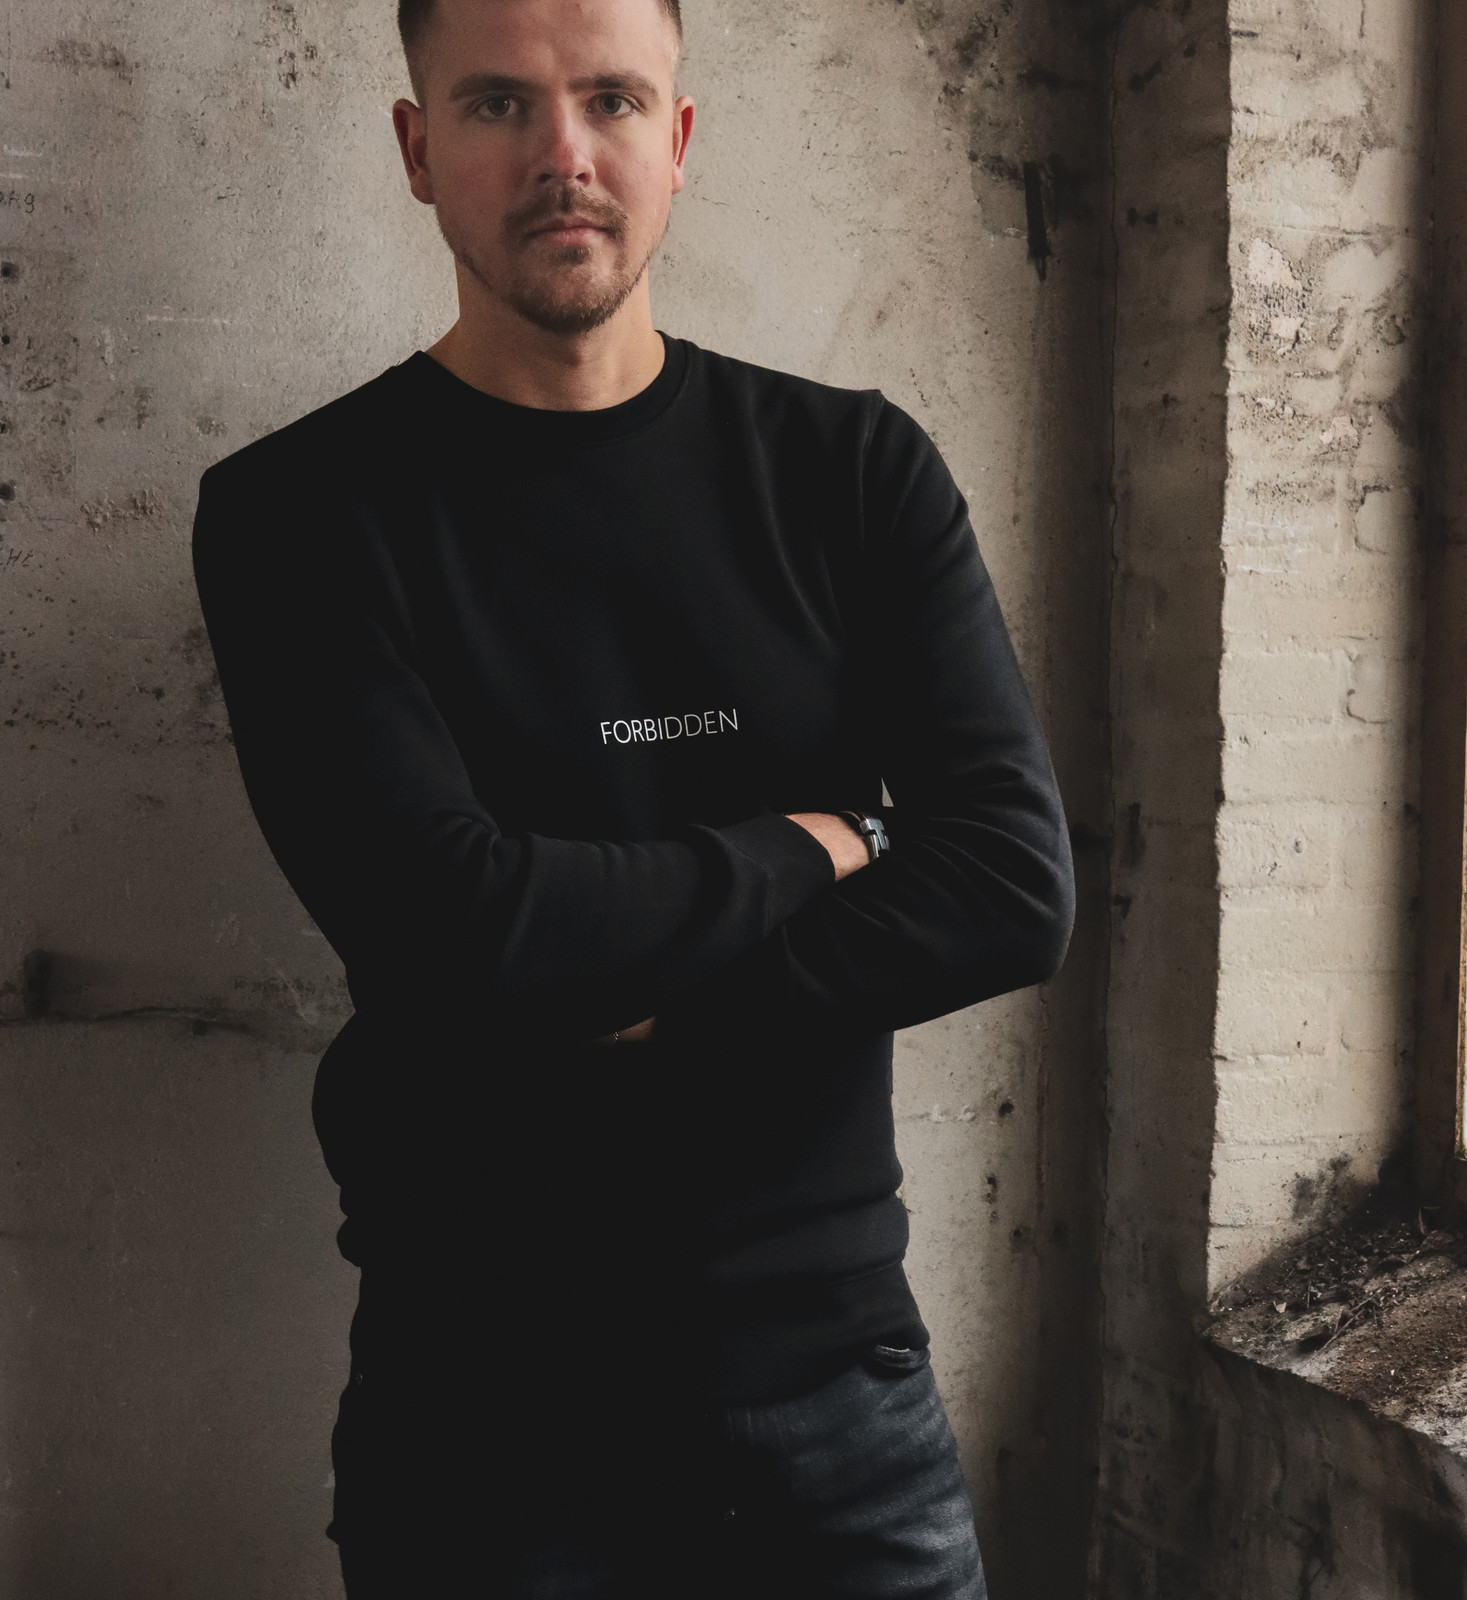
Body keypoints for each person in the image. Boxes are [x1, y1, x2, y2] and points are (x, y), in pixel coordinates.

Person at [190, 0, 1074, 1593]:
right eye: (497, 106)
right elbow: (461, 931)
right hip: (483, 1421)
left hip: (841, 1398)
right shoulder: (298, 516)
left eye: (610, 100)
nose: (564, 155)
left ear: (678, 139)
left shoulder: (855, 473)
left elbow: (1013, 888)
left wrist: (628, 996)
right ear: (416, 149)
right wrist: (821, 845)